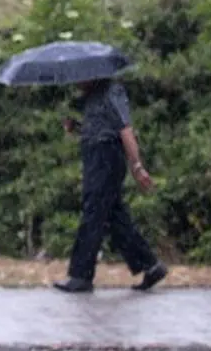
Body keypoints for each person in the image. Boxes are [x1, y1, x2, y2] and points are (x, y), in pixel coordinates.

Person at [53, 78, 168, 293]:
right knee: (114, 216)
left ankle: (80, 275)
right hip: (94, 157)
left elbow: (125, 129)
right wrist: (76, 128)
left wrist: (137, 165)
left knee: (93, 212)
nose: (77, 81)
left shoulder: (112, 92)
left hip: (107, 157)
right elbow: (97, 129)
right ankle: (151, 266)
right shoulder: (89, 98)